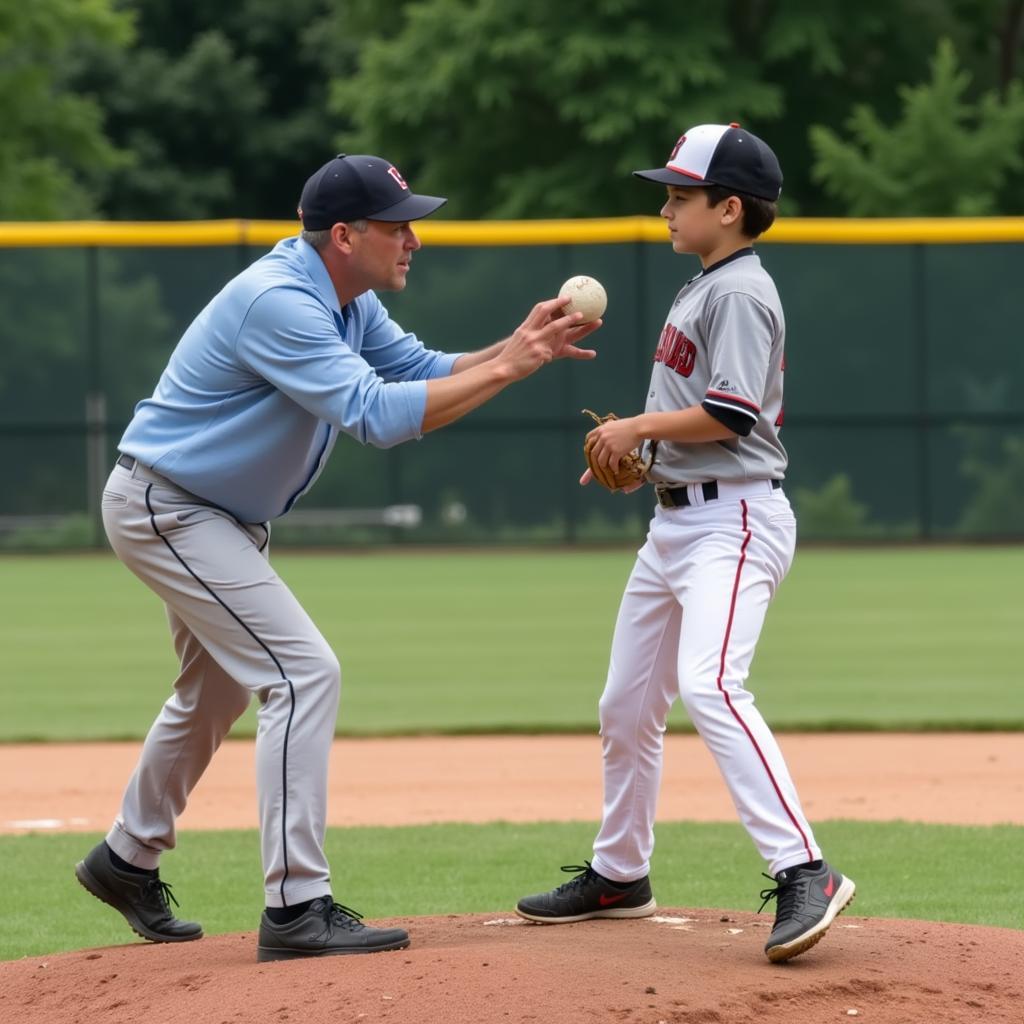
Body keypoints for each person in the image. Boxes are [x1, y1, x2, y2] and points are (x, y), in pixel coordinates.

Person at [75, 153, 600, 962]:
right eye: (398, 225)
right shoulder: (281, 301)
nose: (414, 238)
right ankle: (296, 907)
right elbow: (376, 415)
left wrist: (514, 347)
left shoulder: (344, 300)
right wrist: (507, 365)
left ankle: (125, 859)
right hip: (170, 506)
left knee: (212, 693)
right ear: (345, 235)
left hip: (210, 513)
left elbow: (419, 371)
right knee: (301, 673)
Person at [515, 124, 855, 963]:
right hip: (678, 522)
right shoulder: (704, 283)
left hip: (733, 520)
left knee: (710, 686)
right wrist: (645, 455)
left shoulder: (737, 291)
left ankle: (805, 867)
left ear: (730, 208)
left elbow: (734, 412)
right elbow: (698, 416)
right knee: (627, 705)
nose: (665, 208)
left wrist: (636, 424)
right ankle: (620, 873)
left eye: (680, 195)